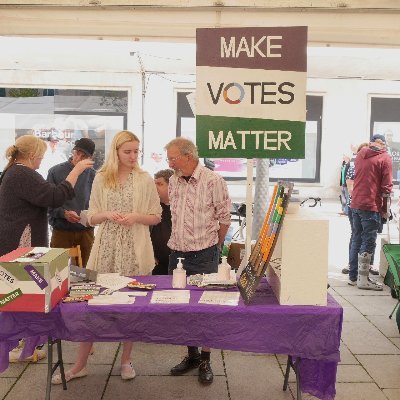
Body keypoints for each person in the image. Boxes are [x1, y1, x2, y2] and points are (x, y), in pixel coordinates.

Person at [52, 130, 161, 385]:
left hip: (135, 247)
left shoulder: (145, 179)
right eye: (128, 151)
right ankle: (80, 365)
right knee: (92, 303)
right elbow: (90, 217)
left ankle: (125, 360)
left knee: (132, 306)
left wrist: (135, 217)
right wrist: (108, 214)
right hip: (107, 247)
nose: (133, 156)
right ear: (116, 152)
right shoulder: (101, 177)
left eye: (136, 151)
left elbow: (156, 216)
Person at [0, 134, 93, 362]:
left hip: (17, 241)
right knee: (21, 295)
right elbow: (54, 196)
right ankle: (16, 344)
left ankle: (23, 343)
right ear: (32, 155)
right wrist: (76, 171)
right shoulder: (22, 173)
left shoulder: (13, 172)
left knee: (21, 294)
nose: (41, 161)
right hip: (21, 244)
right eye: (40, 157)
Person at [165, 137, 231, 384]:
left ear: (188, 156)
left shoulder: (214, 181)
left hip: (204, 253)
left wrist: (216, 246)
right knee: (182, 308)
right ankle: (191, 354)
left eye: (173, 158)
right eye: (169, 158)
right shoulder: (173, 180)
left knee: (206, 308)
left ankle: (206, 359)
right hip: (178, 254)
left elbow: (225, 218)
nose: (169, 162)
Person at [349, 134, 393, 290]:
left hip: (355, 202)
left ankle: (353, 277)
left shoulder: (361, 153)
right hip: (370, 205)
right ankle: (363, 279)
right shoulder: (385, 157)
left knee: (356, 238)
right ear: (383, 144)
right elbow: (386, 188)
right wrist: (386, 210)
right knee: (368, 241)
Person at [47, 138, 96, 267]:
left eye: (83, 155)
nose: (78, 157)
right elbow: (49, 203)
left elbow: (98, 204)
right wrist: (64, 213)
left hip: (86, 231)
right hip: (61, 230)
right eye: (77, 152)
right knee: (57, 271)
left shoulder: (94, 176)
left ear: (90, 158)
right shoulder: (55, 172)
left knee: (88, 273)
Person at [151, 168, 174, 275]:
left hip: (179, 264)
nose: (155, 188)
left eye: (160, 184)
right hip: (157, 264)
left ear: (172, 186)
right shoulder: (152, 208)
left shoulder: (182, 208)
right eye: (154, 184)